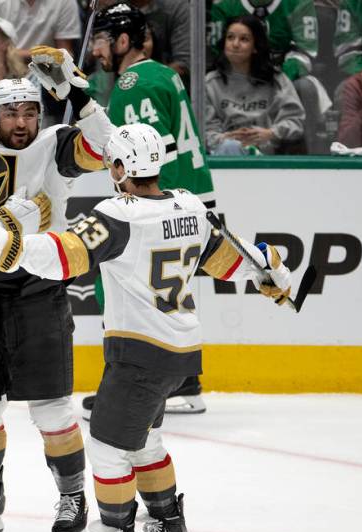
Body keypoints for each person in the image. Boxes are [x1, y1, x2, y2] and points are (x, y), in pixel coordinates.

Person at [0, 123, 293, 532]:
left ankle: (116, 531)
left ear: (120, 167)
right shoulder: (189, 205)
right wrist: (269, 272)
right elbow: (229, 258)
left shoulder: (119, 214)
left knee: (108, 447)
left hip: (140, 352)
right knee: (146, 441)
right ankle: (169, 525)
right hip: (182, 349)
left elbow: (64, 255)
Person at [0, 59, 114, 532]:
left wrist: (79, 94)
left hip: (39, 291)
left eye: (29, 111)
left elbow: (107, 149)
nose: (21, 122)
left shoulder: (55, 145)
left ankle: (74, 497)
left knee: (53, 409)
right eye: (10, 112)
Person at [92, 3, 215, 414]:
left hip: (159, 203)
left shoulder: (131, 84)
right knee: (166, 291)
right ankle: (184, 383)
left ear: (123, 41)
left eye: (101, 40)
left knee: (117, 287)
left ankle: (134, 386)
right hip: (189, 197)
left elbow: (146, 154)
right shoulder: (164, 73)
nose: (95, 50)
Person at [205, 15, 306, 155]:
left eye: (244, 39)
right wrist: (226, 138)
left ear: (255, 47)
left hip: (269, 157)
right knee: (230, 147)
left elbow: (296, 121)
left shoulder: (276, 80)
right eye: (230, 37)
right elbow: (204, 130)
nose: (235, 44)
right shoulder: (210, 83)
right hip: (224, 155)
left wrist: (271, 134)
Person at [0, 0, 81, 62]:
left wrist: (11, 54)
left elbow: (65, 55)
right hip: (2, 68)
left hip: (45, 74)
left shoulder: (65, 2)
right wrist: (44, 54)